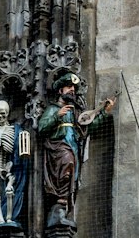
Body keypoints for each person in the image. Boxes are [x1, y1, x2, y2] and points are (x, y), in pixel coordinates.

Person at [36, 71, 115, 227]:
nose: (72, 89)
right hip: (59, 149)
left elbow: (88, 128)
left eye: (73, 87)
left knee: (72, 176)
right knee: (65, 168)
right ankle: (56, 211)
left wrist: (104, 113)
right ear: (60, 91)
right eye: (68, 87)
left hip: (74, 148)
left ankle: (62, 210)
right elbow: (42, 128)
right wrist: (57, 116)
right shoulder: (53, 109)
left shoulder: (75, 112)